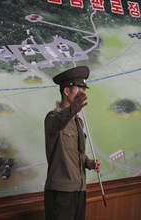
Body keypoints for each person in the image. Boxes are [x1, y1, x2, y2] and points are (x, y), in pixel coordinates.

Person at [44, 66, 101, 220]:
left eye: (84, 90)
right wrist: (71, 111)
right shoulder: (53, 116)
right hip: (61, 191)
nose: (83, 93)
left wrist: (88, 163)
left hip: (79, 188)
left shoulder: (78, 122)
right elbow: (55, 125)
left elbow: (75, 153)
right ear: (66, 91)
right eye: (79, 89)